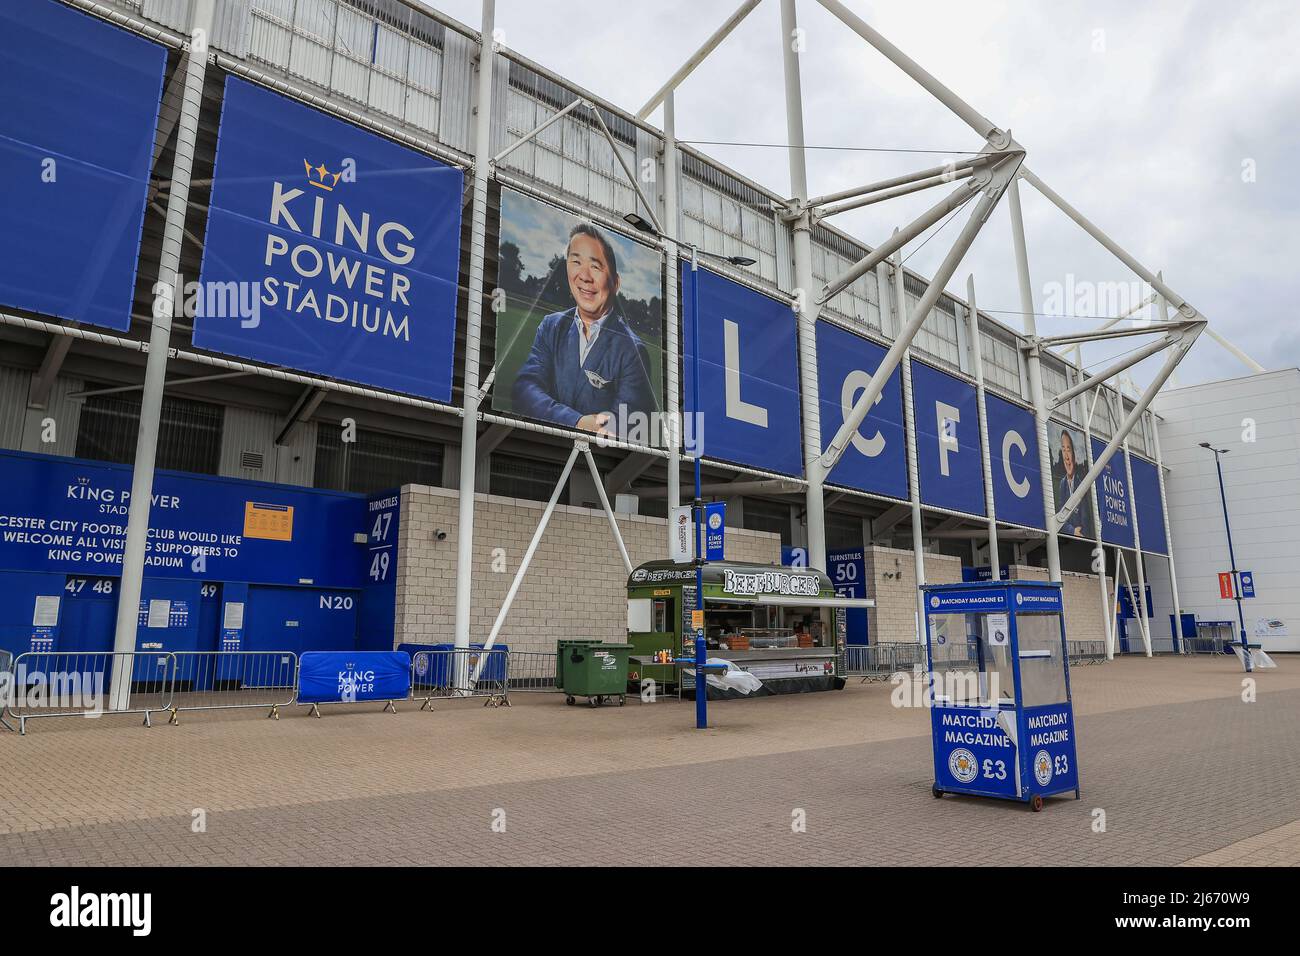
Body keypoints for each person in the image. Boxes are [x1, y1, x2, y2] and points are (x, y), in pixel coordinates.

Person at [511, 223, 655, 437]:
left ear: (615, 283)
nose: (585, 276)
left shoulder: (632, 350)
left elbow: (626, 425)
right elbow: (524, 389)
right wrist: (576, 421)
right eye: (576, 262)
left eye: (596, 266)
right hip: (542, 445)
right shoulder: (551, 326)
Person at [1056, 429, 1090, 536]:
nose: (1067, 457)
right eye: (1063, 450)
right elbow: (1060, 519)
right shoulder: (1062, 484)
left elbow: (1086, 525)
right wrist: (1072, 531)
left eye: (1069, 450)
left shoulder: (1082, 485)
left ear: (1074, 454)